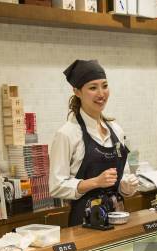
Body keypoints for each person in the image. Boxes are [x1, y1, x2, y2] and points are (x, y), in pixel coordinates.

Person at [49, 60, 138, 226]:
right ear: (77, 92)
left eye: (104, 86)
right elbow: (56, 186)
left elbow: (121, 177)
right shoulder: (67, 133)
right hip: (85, 223)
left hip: (118, 218)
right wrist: (95, 182)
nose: (101, 93)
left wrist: (126, 186)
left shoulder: (116, 130)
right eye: (92, 87)